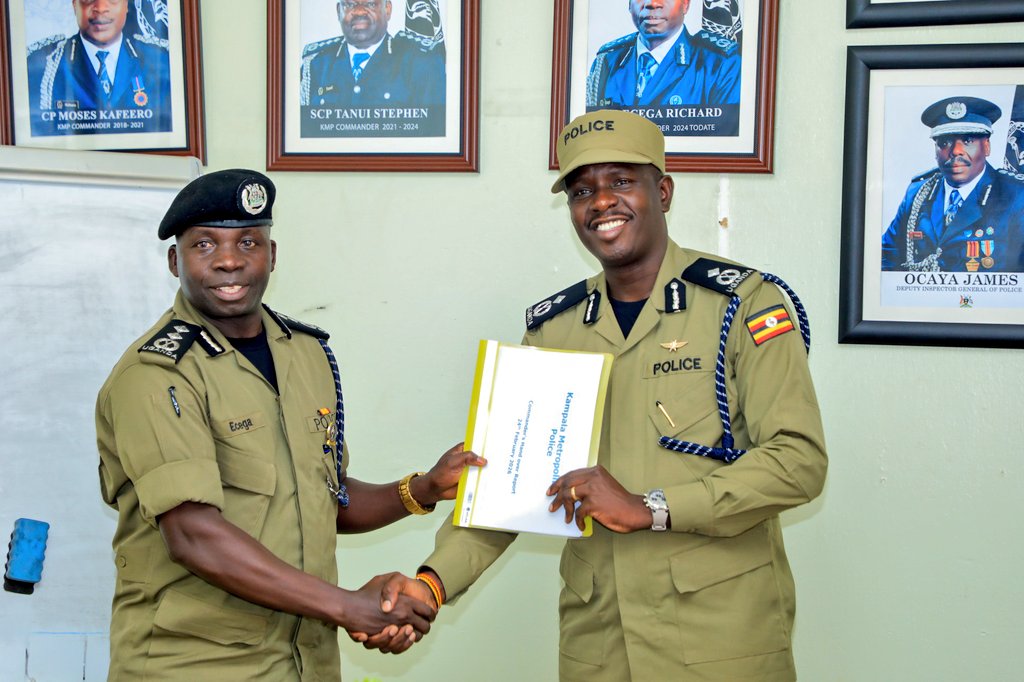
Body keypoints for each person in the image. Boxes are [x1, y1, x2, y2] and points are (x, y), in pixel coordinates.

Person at [368, 111, 828, 681]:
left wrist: (650, 507)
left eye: (622, 181)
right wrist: (430, 584)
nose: (601, 201)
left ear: (663, 191)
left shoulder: (743, 304)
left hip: (720, 637)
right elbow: (509, 489)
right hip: (600, 640)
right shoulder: (554, 329)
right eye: (582, 191)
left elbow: (798, 461)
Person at [95, 169, 484, 680]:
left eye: (248, 242)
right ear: (174, 261)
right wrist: (348, 606)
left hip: (304, 660)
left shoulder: (304, 353)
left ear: (272, 255)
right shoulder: (157, 374)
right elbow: (193, 534)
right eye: (204, 244)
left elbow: (324, 497)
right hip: (194, 664)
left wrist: (422, 489)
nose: (229, 260)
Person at [881, 96, 1024, 272]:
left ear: (986, 146)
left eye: (968, 141)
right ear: (935, 149)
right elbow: (886, 258)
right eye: (944, 142)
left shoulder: (1016, 196)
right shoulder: (917, 193)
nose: (955, 151)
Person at [26, 0, 172, 135]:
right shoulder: (41, 66)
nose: (101, 8)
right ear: (74, 5)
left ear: (126, 4)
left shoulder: (162, 61)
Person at [586, 0, 741, 109]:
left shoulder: (721, 64)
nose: (652, 3)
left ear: (685, 4)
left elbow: (723, 137)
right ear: (629, 4)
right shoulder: (607, 61)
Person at [300, 0, 445, 109]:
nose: (359, 12)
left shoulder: (421, 63)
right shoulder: (316, 65)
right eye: (350, 4)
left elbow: (432, 132)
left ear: (387, 9)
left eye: (370, 4)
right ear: (339, 11)